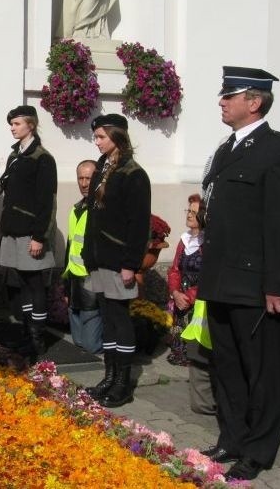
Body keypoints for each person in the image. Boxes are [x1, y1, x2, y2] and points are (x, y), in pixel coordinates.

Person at [198, 66, 280, 481]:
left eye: (229, 95)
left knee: (262, 372)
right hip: (220, 278)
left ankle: (258, 450)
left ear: (254, 101)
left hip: (255, 283)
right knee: (226, 365)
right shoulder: (228, 149)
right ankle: (233, 437)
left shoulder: (278, 150)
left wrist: (276, 284)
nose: (221, 101)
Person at [82, 113, 150, 408]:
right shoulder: (102, 167)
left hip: (119, 258)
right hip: (99, 257)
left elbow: (138, 224)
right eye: (95, 137)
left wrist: (130, 264)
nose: (96, 142)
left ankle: (123, 382)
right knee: (107, 318)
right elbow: (93, 216)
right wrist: (88, 252)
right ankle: (109, 375)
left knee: (120, 319)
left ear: (117, 137)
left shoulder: (133, 174)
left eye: (101, 137)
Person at [0, 105, 58, 360]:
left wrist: (38, 237)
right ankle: (25, 332)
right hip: (13, 229)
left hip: (30, 231)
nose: (13, 127)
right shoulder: (16, 156)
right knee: (20, 283)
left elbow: (46, 201)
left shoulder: (42, 158)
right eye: (11, 124)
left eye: (17, 123)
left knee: (35, 285)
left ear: (31, 125)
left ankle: (37, 338)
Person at [63, 160, 102, 354]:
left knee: (91, 346)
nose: (84, 183)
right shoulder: (76, 209)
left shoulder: (102, 209)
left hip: (92, 280)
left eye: (89, 178)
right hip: (74, 279)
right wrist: (65, 284)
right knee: (77, 342)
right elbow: (70, 246)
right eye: (81, 178)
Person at [166, 194, 205, 366]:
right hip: (180, 295)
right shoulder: (184, 240)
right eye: (188, 210)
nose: (189, 214)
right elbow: (175, 269)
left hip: (198, 298)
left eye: (193, 212)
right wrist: (175, 292)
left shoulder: (208, 242)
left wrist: (188, 297)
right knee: (178, 332)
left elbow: (207, 275)